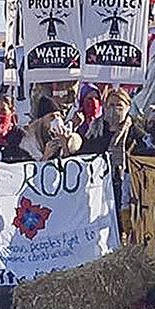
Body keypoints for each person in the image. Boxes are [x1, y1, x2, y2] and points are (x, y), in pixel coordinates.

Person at [81, 89, 144, 231]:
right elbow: (84, 153)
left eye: (119, 105)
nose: (114, 109)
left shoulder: (135, 132)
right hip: (99, 185)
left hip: (124, 185)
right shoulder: (96, 129)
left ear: (128, 107)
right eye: (111, 105)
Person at [20, 95, 82, 161]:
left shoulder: (65, 131)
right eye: (51, 117)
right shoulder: (30, 138)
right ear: (42, 120)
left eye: (58, 115)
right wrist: (46, 155)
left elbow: (69, 162)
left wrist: (65, 144)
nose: (56, 119)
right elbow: (35, 167)